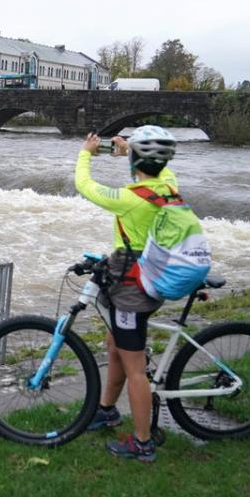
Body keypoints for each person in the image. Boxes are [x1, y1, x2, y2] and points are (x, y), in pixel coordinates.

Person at [74, 125, 178, 463]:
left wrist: (86, 154)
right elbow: (154, 173)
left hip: (132, 286)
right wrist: (129, 155)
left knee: (135, 367)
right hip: (147, 276)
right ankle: (106, 410)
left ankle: (143, 442)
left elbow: (84, 186)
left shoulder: (130, 199)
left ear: (136, 159)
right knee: (114, 344)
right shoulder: (168, 185)